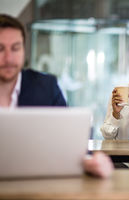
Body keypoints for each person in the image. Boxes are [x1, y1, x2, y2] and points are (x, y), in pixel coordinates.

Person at [0, 14, 113, 178]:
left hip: (38, 183)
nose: (8, 58)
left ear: (24, 50)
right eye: (0, 49)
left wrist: (90, 162)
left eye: (15, 48)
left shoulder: (46, 87)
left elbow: (70, 145)